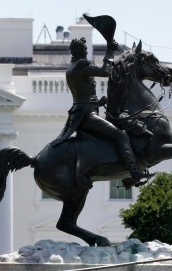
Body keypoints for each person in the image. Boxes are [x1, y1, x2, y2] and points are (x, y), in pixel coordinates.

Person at [50, 35, 154, 187]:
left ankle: (126, 173)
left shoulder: (71, 67)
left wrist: (97, 103)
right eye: (85, 49)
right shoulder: (80, 65)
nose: (87, 51)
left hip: (82, 112)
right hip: (87, 116)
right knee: (121, 134)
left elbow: (82, 95)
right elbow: (105, 71)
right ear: (80, 51)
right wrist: (110, 50)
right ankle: (134, 173)